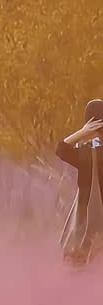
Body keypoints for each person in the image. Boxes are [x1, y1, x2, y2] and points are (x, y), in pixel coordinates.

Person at [56, 99, 103, 265]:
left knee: (81, 268)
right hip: (92, 222)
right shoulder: (89, 153)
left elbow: (61, 149)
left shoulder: (86, 153)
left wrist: (82, 132)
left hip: (85, 222)